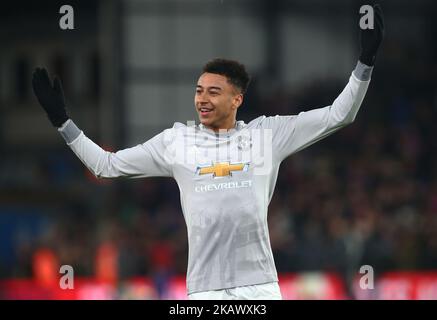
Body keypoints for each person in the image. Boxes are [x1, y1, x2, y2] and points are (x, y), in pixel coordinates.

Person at [32, 5, 384, 300]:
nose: (202, 98)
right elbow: (106, 167)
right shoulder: (176, 142)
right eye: (199, 90)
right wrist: (63, 122)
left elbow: (340, 114)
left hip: (260, 288)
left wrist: (364, 64)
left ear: (237, 99)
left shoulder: (268, 134)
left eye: (213, 91)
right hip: (204, 293)